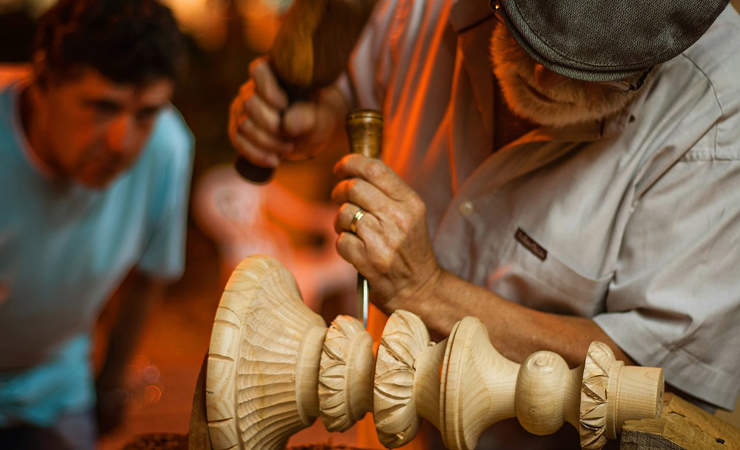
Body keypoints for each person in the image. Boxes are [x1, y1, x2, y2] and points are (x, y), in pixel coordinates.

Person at [230, 0, 740, 447]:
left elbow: (659, 382)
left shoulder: (718, 112)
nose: (540, 77)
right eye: (523, 35)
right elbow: (358, 69)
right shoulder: (431, 7)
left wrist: (428, 291)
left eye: (585, 69)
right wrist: (322, 110)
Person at [0, 0, 193, 448]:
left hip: (54, 389)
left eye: (145, 113)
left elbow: (149, 277)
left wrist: (109, 382)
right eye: (102, 107)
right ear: (44, 82)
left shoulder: (166, 147)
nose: (122, 143)